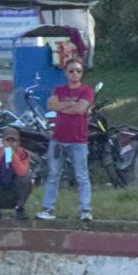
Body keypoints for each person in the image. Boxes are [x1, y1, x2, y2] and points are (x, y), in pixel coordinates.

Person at [37, 57, 96, 224]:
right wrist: (71, 104)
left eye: (78, 70)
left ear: (82, 73)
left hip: (78, 140)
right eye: (71, 70)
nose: (75, 73)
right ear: (65, 72)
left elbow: (80, 108)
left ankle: (85, 209)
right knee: (53, 175)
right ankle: (47, 208)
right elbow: (50, 105)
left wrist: (63, 105)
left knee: (82, 176)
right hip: (58, 139)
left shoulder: (87, 91)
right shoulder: (59, 89)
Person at [0, 125, 34, 222]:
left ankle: (20, 208)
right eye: (7, 141)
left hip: (14, 191)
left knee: (27, 178)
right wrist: (1, 155)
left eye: (13, 141)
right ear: (3, 142)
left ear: (18, 143)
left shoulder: (23, 154)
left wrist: (13, 155)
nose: (10, 143)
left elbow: (22, 173)